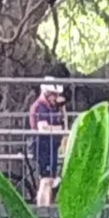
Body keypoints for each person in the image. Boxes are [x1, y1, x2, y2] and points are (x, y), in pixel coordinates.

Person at [29, 77, 65, 207]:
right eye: (54, 94)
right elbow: (42, 127)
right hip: (43, 145)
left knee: (50, 179)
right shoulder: (39, 107)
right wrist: (59, 129)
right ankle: (42, 208)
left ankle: (47, 206)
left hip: (51, 146)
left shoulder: (52, 108)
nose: (55, 97)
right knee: (45, 180)